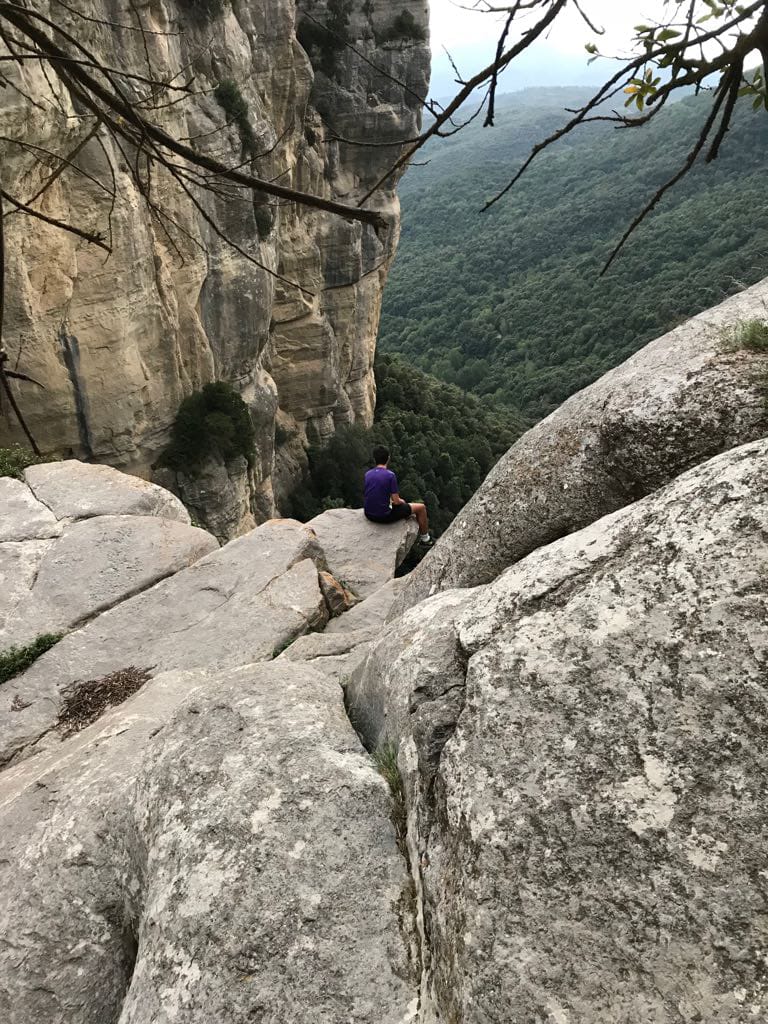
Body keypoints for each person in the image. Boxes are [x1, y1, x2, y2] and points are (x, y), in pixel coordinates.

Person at [363, 445, 431, 544]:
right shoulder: (390, 475)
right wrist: (402, 502)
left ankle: (425, 539)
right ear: (388, 458)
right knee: (421, 508)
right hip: (383, 516)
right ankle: (425, 539)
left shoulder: (367, 474)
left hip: (368, 514)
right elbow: (396, 501)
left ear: (374, 459)